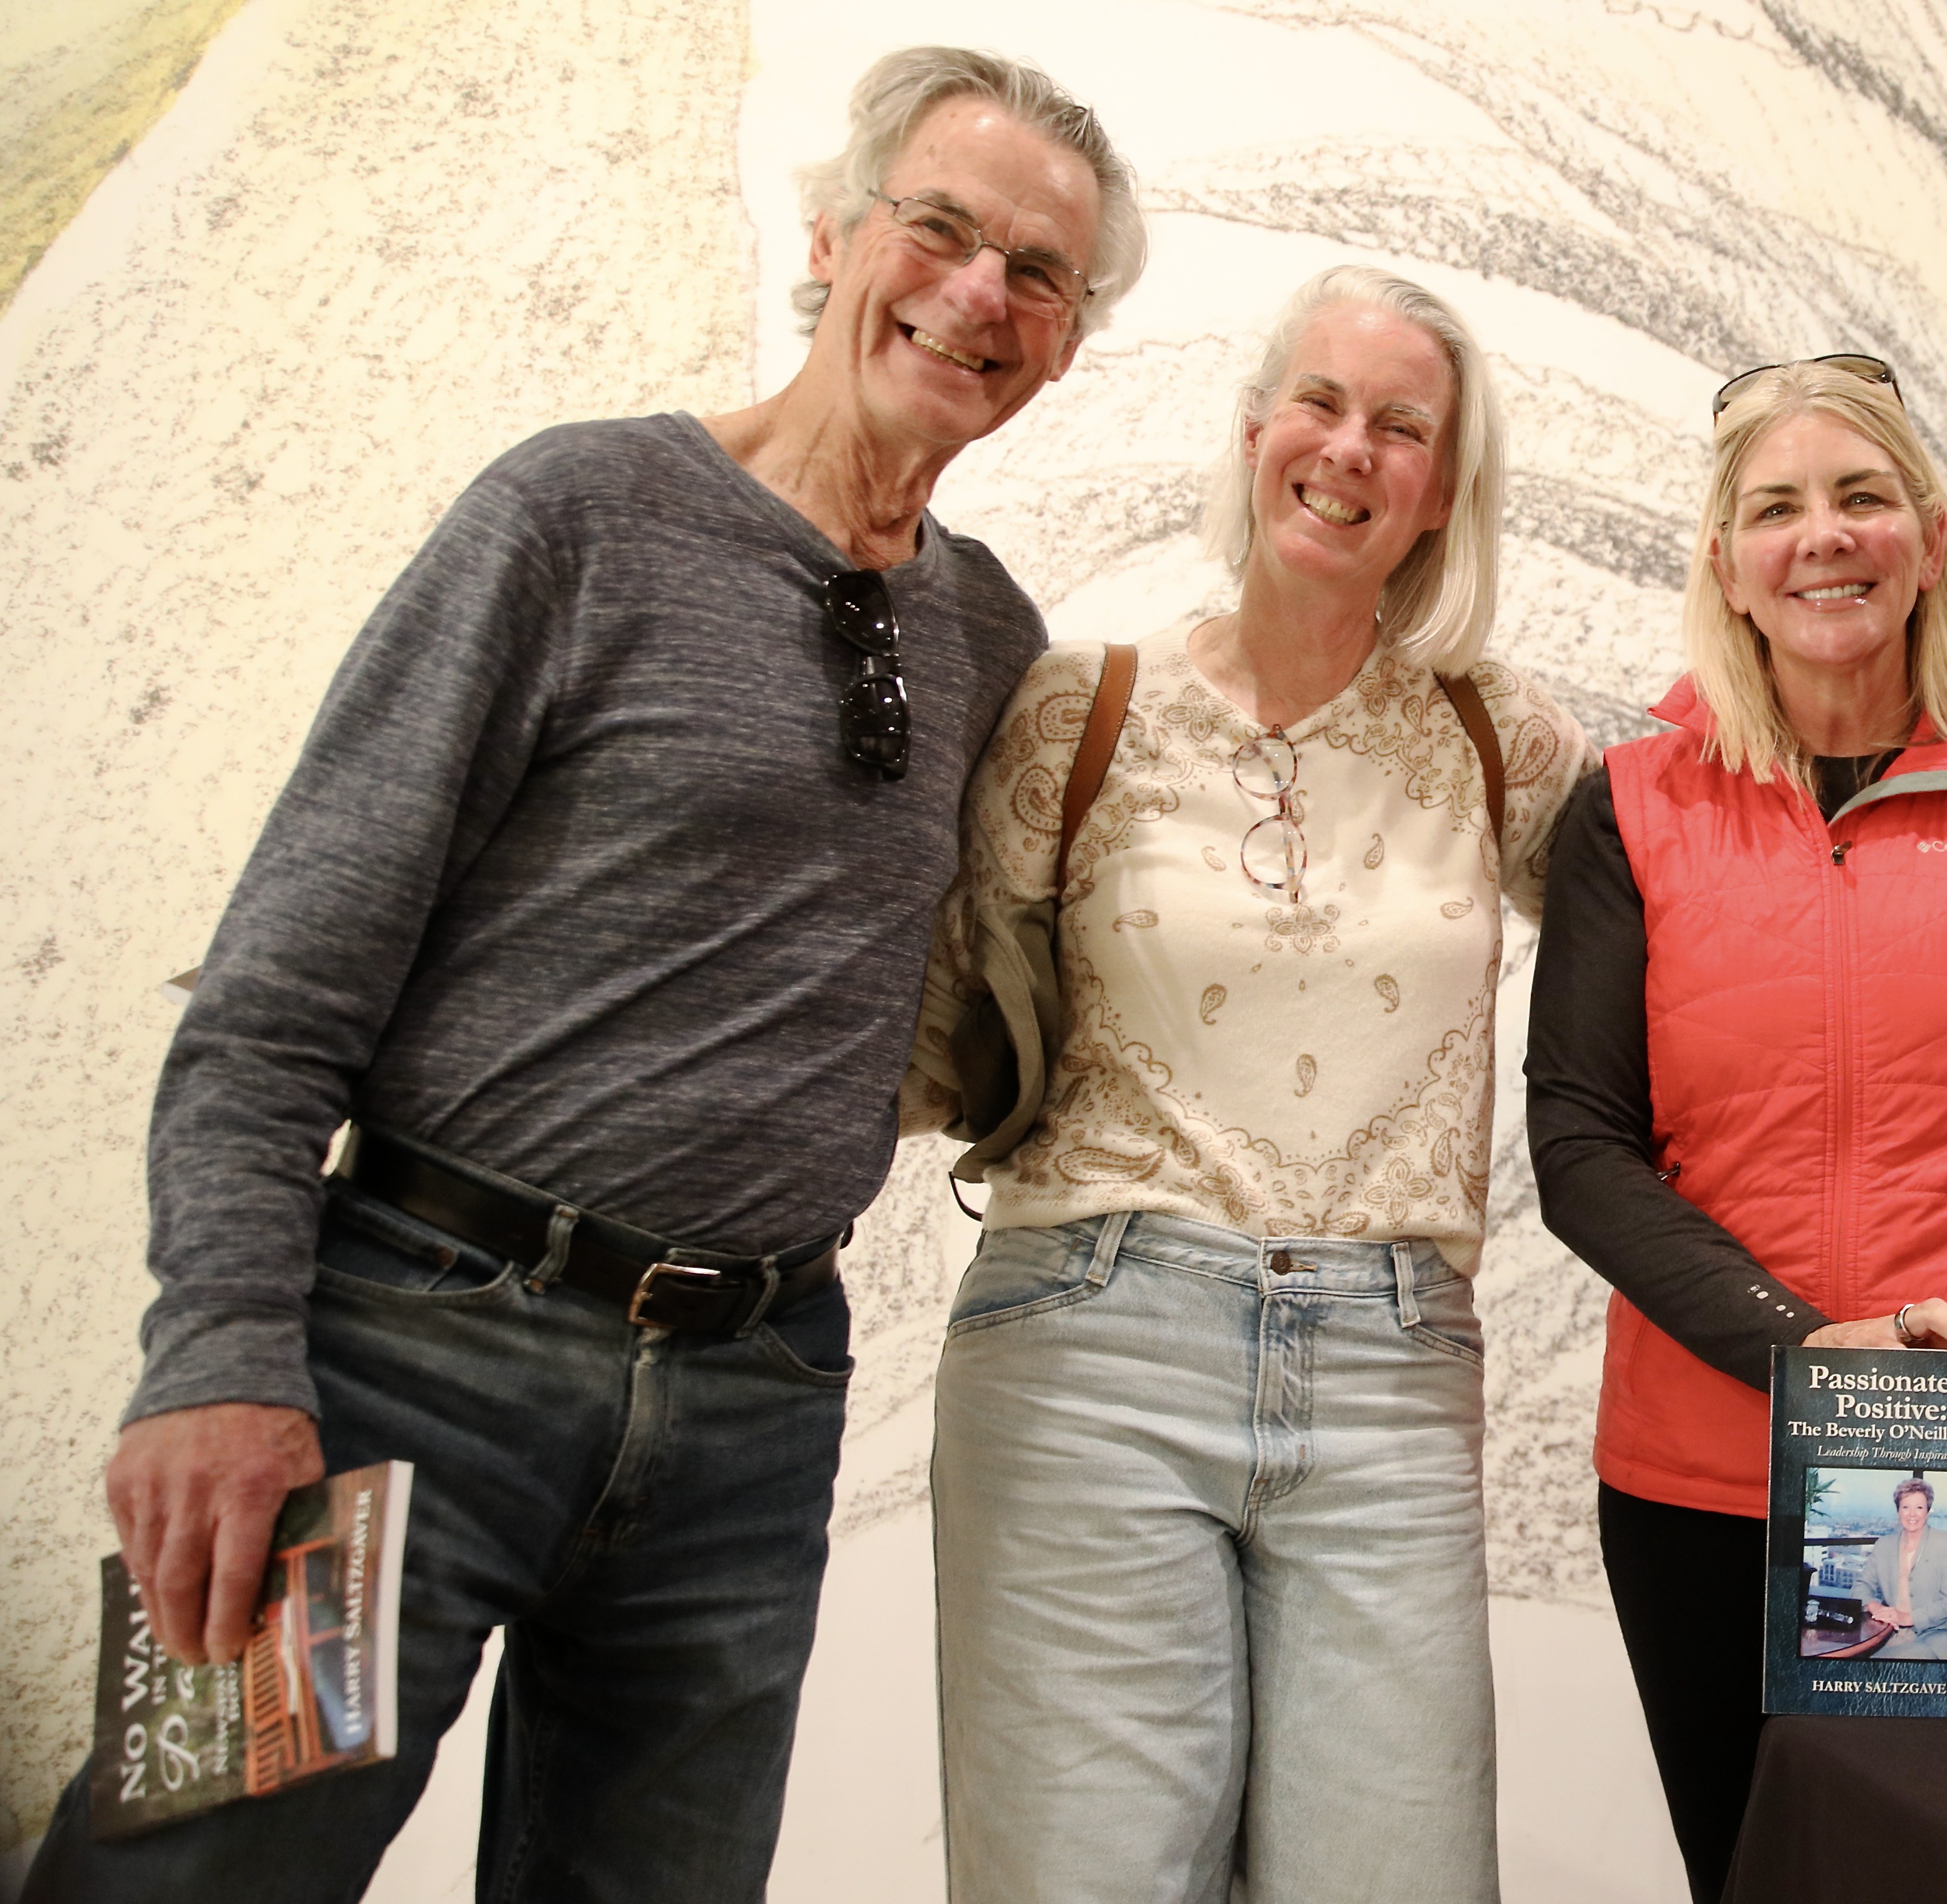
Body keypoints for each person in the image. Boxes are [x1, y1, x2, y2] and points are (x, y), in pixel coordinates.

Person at [23, 47, 1141, 1902]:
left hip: (754, 1404)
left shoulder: (988, 631)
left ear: (1067, 342)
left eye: (1036, 272)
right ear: (831, 233)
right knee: (186, 1882)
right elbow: (279, 990)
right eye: (938, 228)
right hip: (404, 1360)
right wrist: (214, 1357)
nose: (976, 293)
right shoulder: (574, 514)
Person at [906, 265, 1587, 1904]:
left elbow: (1696, 925)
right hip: (1090, 1343)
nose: (1350, 449)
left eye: (1400, 427)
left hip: (1391, 1372)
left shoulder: (1499, 739)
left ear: (1441, 490)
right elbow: (920, 1014)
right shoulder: (1080, 708)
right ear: (1254, 430)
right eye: (1321, 404)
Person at [1525, 356, 1947, 1904]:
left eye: (1860, 497)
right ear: (1725, 563)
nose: (1823, 536)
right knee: (1763, 1877)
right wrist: (1805, 1349)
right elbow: (1580, 1147)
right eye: (1776, 508)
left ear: (1929, 537)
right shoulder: (1627, 810)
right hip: (1709, 1478)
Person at [1861, 1478, 1947, 1660]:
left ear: (1928, 1511)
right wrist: (1876, 1608)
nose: (1912, 1515)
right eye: (1906, 1507)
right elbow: (1861, 1586)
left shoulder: (1946, 1543)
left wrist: (1906, 1618)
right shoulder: (1884, 1545)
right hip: (1892, 1633)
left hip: (1940, 1632)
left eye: (1919, 1508)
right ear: (1898, 1511)